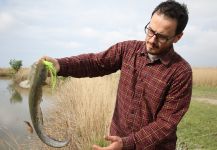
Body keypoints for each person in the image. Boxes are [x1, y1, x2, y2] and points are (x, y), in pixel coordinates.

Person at [42, 0, 192, 149]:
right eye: (151, 31)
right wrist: (60, 65)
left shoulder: (181, 72)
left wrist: (127, 143)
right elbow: (94, 63)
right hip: (116, 142)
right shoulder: (127, 50)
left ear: (178, 37)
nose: (152, 40)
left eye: (162, 37)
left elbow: (166, 124)